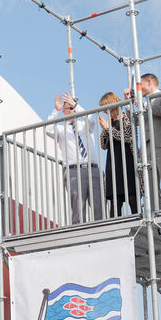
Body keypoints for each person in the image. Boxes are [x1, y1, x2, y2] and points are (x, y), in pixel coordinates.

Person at [45, 93, 104, 223]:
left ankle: (101, 229)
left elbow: (91, 120)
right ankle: (80, 231)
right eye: (70, 108)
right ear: (65, 111)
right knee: (78, 207)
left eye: (74, 107)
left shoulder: (84, 125)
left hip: (92, 169)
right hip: (73, 171)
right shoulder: (60, 129)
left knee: (99, 205)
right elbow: (48, 129)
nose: (73, 110)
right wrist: (56, 110)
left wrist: (76, 105)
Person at [125, 73, 161, 209]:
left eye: (141, 85)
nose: (139, 90)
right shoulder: (144, 102)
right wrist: (129, 104)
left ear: (149, 82)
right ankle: (157, 215)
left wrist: (145, 105)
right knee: (151, 186)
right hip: (147, 148)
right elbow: (136, 121)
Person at [96, 92, 142, 217]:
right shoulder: (109, 122)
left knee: (132, 197)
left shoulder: (126, 117)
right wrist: (104, 129)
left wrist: (108, 129)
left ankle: (138, 223)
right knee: (115, 200)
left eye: (105, 107)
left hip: (127, 161)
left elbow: (127, 136)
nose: (104, 111)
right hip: (113, 163)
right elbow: (103, 145)